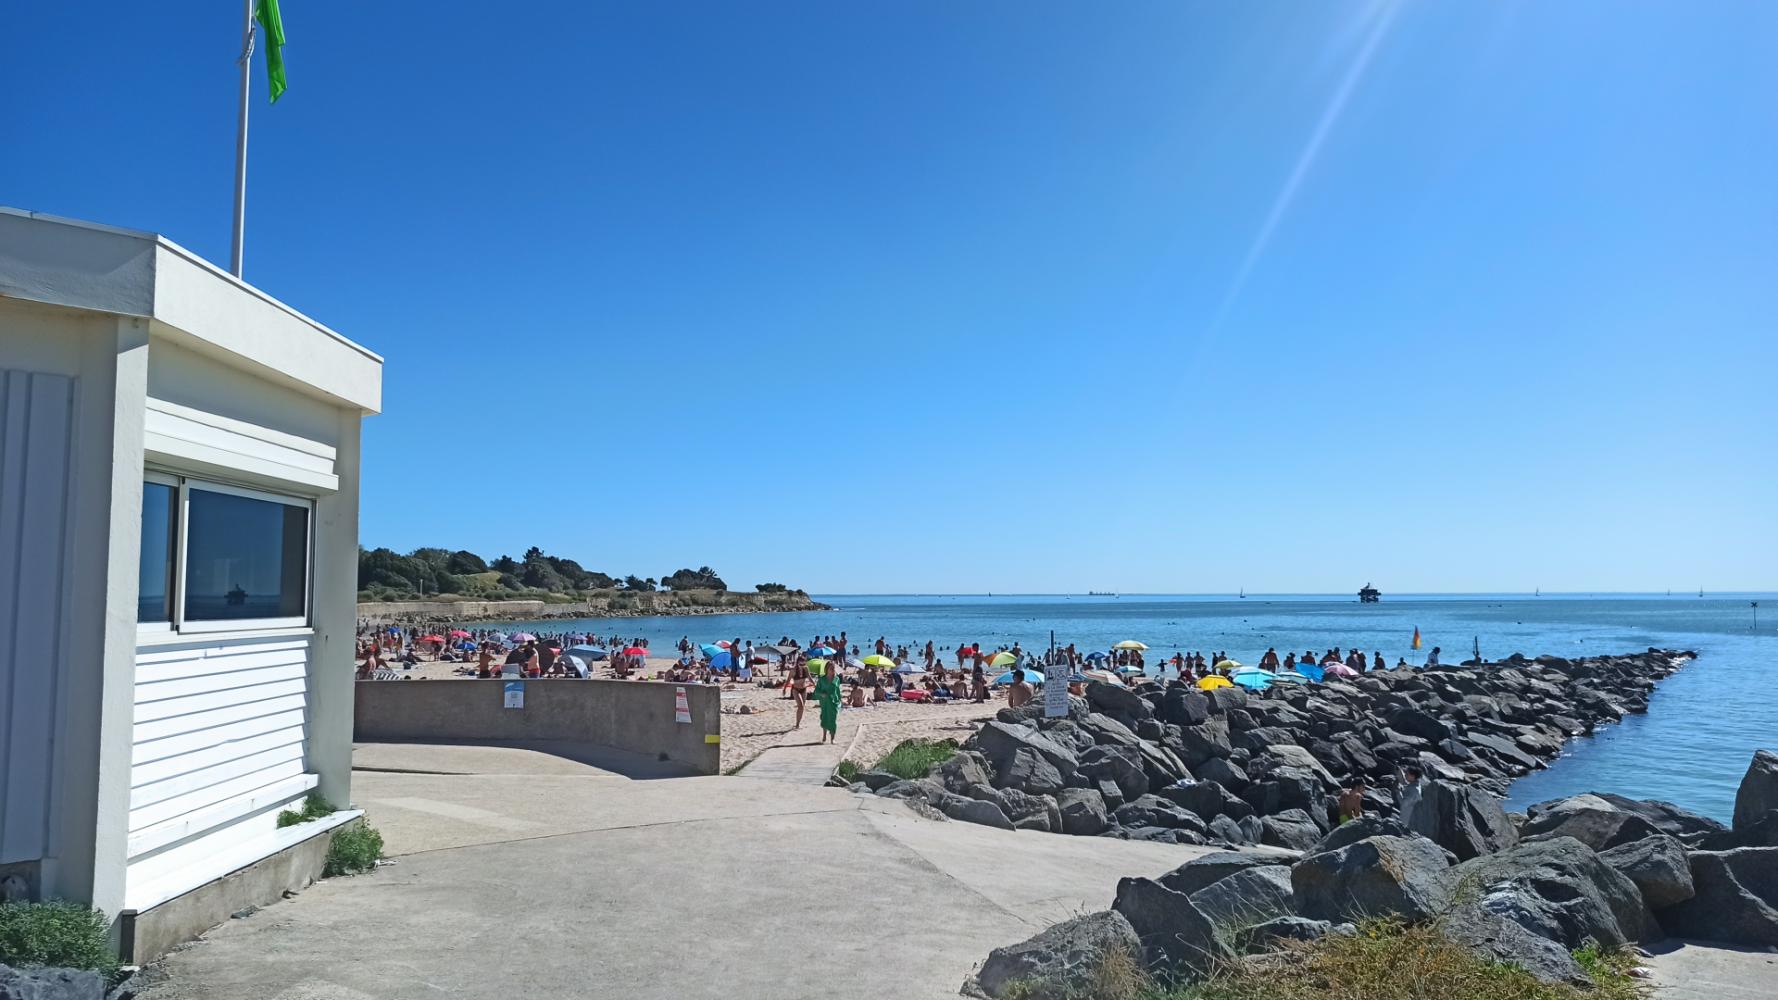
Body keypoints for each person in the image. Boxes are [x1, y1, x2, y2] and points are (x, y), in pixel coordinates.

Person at [814, 663, 842, 744]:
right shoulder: (822, 680)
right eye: (831, 668)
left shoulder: (837, 679)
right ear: (826, 669)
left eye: (833, 668)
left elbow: (838, 691)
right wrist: (821, 694)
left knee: (833, 719)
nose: (832, 670)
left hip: (834, 702)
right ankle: (824, 736)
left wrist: (840, 700)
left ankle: (832, 738)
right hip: (825, 702)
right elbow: (816, 691)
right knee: (825, 718)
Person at [1396, 765, 1425, 830]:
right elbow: (1405, 782)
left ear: (1413, 776)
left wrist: (1398, 792)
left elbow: (1403, 804)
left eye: (1407, 774)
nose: (1405, 775)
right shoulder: (1415, 785)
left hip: (1407, 820)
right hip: (1409, 818)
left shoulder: (1414, 790)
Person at [788, 658, 811, 728]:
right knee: (800, 705)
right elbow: (788, 679)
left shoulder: (806, 669)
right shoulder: (793, 670)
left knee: (802, 707)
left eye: (804, 664)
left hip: (804, 689)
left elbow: (809, 677)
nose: (802, 666)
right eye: (801, 664)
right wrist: (785, 689)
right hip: (796, 689)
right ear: (797, 663)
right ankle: (797, 724)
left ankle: (798, 723)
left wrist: (815, 685)